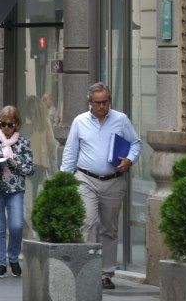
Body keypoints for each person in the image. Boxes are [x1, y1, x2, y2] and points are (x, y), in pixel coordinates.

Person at [61, 82, 140, 292]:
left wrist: (129, 161)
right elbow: (70, 152)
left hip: (114, 180)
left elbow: (136, 143)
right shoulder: (80, 121)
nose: (102, 106)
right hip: (85, 179)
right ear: (90, 102)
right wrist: (63, 181)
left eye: (105, 102)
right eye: (98, 103)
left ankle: (106, 273)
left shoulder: (121, 119)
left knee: (109, 229)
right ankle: (87, 268)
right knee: (88, 222)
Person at [0, 105, 36, 278]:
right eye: (3, 124)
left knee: (16, 226)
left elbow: (30, 169)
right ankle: (1, 264)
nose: (6, 128)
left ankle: (14, 258)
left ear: (17, 124)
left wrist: (14, 162)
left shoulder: (23, 142)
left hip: (16, 189)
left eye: (10, 124)